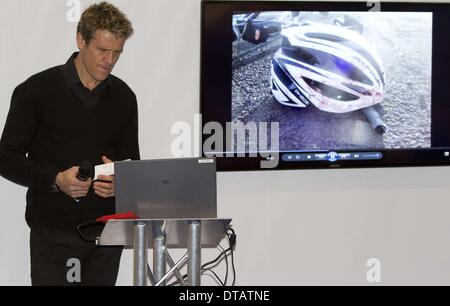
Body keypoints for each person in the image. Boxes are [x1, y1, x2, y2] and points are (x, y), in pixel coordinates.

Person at [0, 2, 139, 286]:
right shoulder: (36, 90)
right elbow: (5, 157)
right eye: (102, 50)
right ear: (80, 39)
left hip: (106, 235)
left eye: (117, 53)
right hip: (53, 234)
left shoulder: (124, 97)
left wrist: (121, 181)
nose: (109, 60)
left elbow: (131, 163)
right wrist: (56, 180)